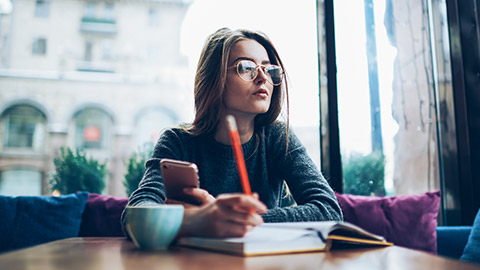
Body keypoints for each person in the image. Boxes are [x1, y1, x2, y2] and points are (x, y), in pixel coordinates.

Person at [123, 27, 342, 238]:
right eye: (246, 67)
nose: (262, 78)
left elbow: (329, 209)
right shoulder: (177, 141)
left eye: (268, 69)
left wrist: (239, 220)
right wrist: (198, 221)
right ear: (213, 79)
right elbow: (135, 213)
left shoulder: (277, 137)